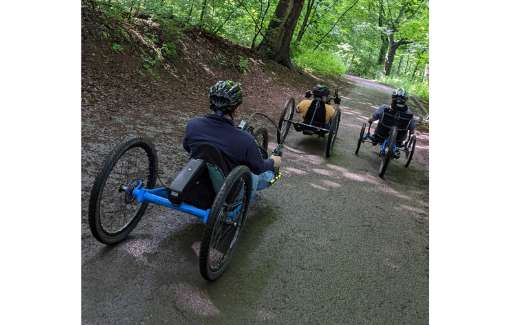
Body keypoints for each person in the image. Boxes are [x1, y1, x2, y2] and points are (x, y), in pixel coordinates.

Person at [182, 80, 281, 197]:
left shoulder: (193, 124)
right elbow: (259, 168)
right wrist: (273, 161)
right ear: (236, 109)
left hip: (196, 180)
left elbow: (187, 147)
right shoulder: (245, 139)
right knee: (266, 175)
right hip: (225, 191)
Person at [368, 88, 416, 154]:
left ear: (393, 98)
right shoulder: (409, 114)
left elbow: (373, 118)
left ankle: (375, 139)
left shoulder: (384, 108)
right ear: (405, 100)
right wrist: (412, 130)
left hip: (380, 134)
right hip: (399, 139)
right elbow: (412, 130)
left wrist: (370, 120)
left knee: (380, 117)